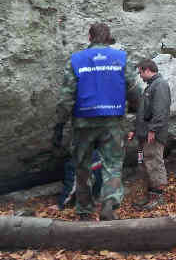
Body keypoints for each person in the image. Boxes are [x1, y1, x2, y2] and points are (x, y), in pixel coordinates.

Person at [53, 23, 139, 221]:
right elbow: (134, 90)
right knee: (113, 164)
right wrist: (136, 109)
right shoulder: (121, 58)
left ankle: (84, 210)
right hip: (113, 121)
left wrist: (59, 125)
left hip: (83, 121)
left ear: (89, 37)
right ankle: (109, 203)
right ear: (109, 38)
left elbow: (67, 97)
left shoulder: (76, 60)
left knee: (82, 166)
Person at [128, 58, 171, 210]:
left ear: (147, 70)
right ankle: (149, 198)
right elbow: (143, 112)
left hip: (153, 135)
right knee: (146, 165)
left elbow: (160, 111)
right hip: (144, 134)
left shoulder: (160, 85)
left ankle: (158, 198)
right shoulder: (151, 86)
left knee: (154, 162)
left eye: (140, 72)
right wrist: (134, 129)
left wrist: (153, 129)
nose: (140, 76)